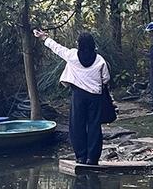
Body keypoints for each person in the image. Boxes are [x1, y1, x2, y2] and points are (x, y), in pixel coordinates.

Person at [33, 28, 110, 165]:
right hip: (95, 97)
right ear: (93, 44)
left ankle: (81, 156)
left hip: (78, 96)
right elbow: (106, 79)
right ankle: (92, 158)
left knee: (77, 125)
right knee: (94, 126)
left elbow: (57, 48)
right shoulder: (100, 60)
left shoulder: (72, 55)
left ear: (79, 44)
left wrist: (44, 38)